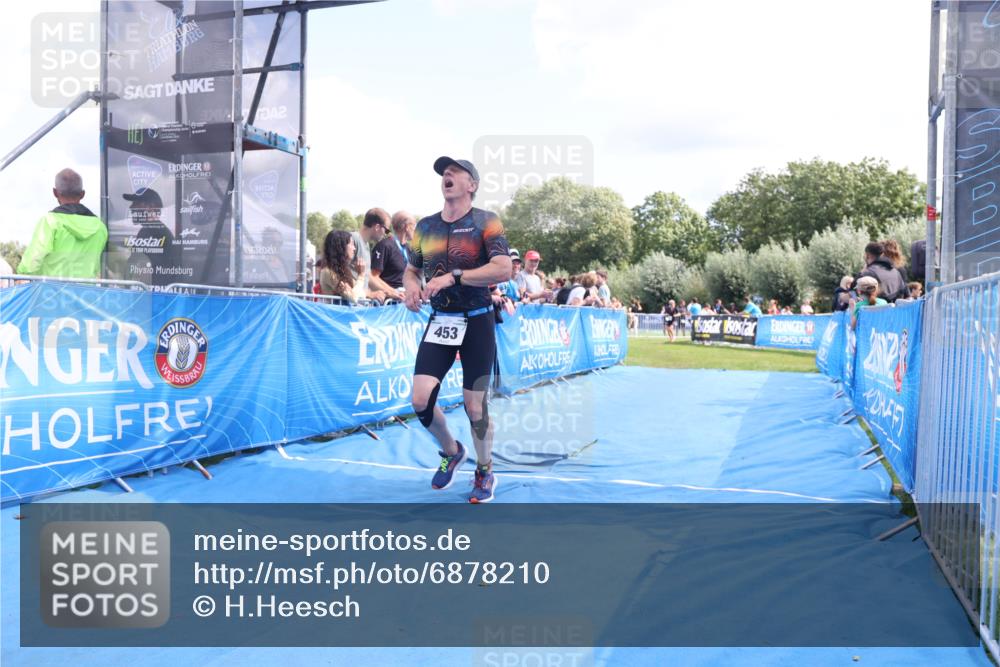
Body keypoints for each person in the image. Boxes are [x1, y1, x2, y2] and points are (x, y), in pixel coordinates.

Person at [404, 156, 512, 503]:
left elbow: (503, 268)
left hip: (478, 319)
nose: (446, 176)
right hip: (441, 321)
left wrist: (456, 276)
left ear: (472, 185)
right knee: (420, 400)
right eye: (443, 173)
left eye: (455, 172)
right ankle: (452, 450)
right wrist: (410, 287)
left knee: (475, 407)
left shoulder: (486, 222)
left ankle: (484, 468)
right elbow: (411, 269)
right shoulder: (425, 226)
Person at [19, 168, 108, 278]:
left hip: (51, 293)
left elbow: (31, 264)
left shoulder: (49, 222)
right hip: (86, 293)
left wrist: (22, 273)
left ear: (55, 192)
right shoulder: (100, 227)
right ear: (82, 194)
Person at [120, 188, 176, 287]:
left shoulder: (150, 232)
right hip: (158, 294)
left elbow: (138, 268)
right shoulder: (156, 230)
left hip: (153, 296)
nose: (131, 207)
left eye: (136, 203)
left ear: (151, 207)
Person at [371, 210, 415, 295]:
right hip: (388, 304)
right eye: (414, 226)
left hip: (405, 303)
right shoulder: (384, 246)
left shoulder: (409, 249)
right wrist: (393, 292)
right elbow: (373, 278)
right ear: (407, 227)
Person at [353, 208, 393, 302]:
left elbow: (368, 277)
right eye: (386, 230)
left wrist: (392, 292)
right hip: (350, 306)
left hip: (359, 305)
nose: (387, 234)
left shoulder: (366, 244)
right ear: (377, 227)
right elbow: (342, 275)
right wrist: (369, 294)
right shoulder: (353, 239)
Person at [319, 230, 360, 302]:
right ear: (341, 247)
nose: (354, 248)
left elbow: (360, 293)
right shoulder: (327, 271)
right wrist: (361, 275)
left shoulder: (343, 270)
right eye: (352, 244)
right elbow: (354, 298)